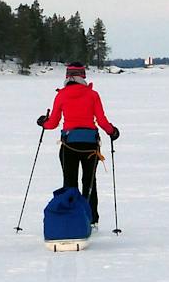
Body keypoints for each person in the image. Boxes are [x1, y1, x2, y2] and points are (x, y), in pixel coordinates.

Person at [37, 62, 119, 227]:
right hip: (90, 145)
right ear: (83, 76)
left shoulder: (61, 95)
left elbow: (52, 123)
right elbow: (101, 120)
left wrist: (43, 123)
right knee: (89, 182)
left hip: (69, 145)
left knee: (69, 183)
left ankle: (71, 219)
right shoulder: (92, 95)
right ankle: (92, 219)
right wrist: (112, 131)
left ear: (67, 77)